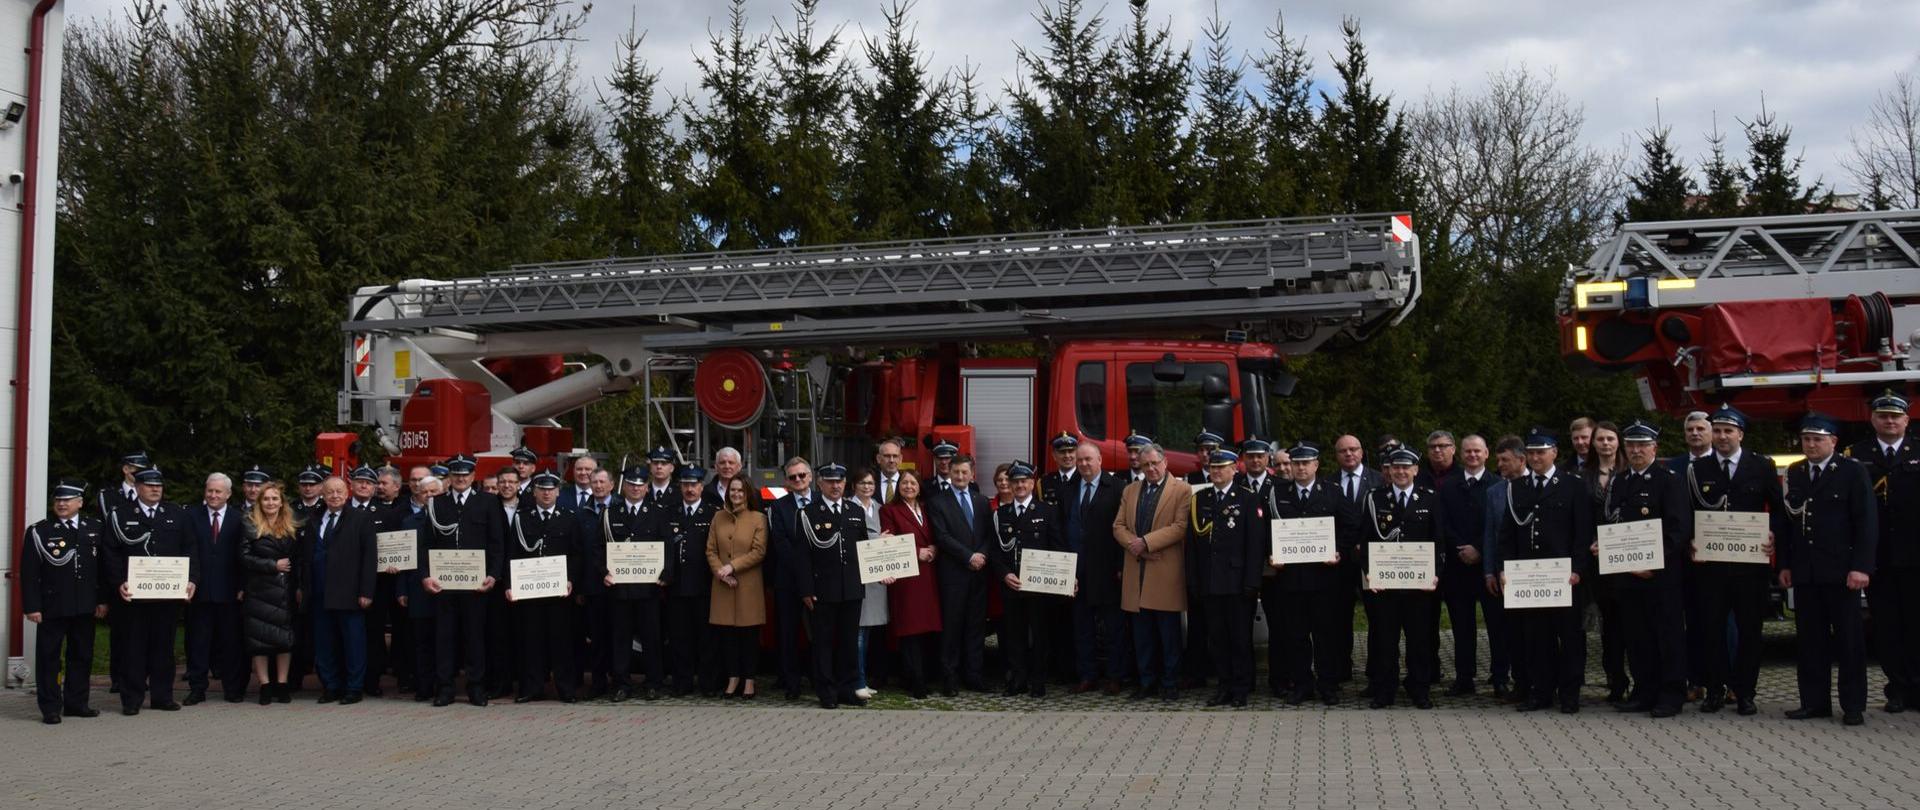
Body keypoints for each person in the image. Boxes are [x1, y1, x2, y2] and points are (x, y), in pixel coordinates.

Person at [1779, 412, 1878, 726]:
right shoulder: (1795, 472)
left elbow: (1866, 522)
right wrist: (1784, 564)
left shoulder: (1851, 471)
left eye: (1817, 439)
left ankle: (1853, 705)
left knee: (1849, 641)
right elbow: (1787, 524)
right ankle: (1814, 702)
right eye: (1806, 439)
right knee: (1810, 641)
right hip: (1806, 571)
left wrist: (1861, 567)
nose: (1811, 444)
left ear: (1833, 441)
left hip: (1841, 571)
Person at [1687, 405, 1783, 716]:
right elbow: (1688, 512)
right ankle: (1715, 690)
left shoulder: (1761, 466)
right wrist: (1691, 540)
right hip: (1711, 566)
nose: (1722, 436)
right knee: (1711, 629)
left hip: (1750, 567)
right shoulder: (1698, 469)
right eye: (1717, 431)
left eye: (1728, 431)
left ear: (1740, 434)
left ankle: (1745, 692)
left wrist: (1772, 534)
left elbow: (1778, 510)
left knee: (1750, 631)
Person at [1600, 420, 1692, 718]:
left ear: (1654, 448)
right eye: (1631, 446)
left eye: (1642, 445)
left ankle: (1671, 694)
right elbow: (1612, 523)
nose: (1636, 451)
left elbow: (1679, 529)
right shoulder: (1620, 481)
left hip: (1660, 576)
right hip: (1628, 576)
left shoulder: (1669, 480)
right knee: (1636, 637)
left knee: (1667, 636)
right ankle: (1643, 691)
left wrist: (1653, 564)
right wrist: (1604, 546)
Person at [1497, 430, 1592, 714]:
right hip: (1529, 577)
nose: (1536, 457)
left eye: (1542, 452)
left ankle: (1570, 693)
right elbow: (1507, 535)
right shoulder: (1517, 487)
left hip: (1564, 577)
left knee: (1570, 637)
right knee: (1537, 638)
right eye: (1532, 453)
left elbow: (1582, 532)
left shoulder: (1573, 486)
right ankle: (1541, 692)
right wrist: (1504, 568)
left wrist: (1578, 569)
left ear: (1554, 453)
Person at [104, 466, 197, 715]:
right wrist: (118, 582)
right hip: (134, 596)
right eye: (149, 485)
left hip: (166, 596)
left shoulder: (176, 514)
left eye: (159, 485)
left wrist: (191, 580)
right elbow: (110, 552)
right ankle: (131, 699)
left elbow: (190, 549)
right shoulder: (120, 515)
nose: (155, 489)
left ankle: (162, 696)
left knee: (163, 648)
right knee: (133, 648)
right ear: (137, 487)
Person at [1358, 448, 1446, 709]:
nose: (1400, 472)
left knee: (1420, 641)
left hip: (1419, 586)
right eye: (1395, 467)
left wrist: (1436, 574)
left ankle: (1420, 690)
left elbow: (1439, 540)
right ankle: (1385, 691)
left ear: (1416, 470)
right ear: (1388, 470)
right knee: (1385, 641)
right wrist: (1369, 571)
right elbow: (1365, 541)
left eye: (1406, 467)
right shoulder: (1375, 498)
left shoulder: (1430, 498)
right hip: (1385, 585)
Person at [419, 454, 506, 707]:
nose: (460, 478)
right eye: (456, 474)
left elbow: (497, 543)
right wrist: (425, 575)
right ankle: (445, 688)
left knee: (475, 637)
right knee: (444, 637)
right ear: (450, 476)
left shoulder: (488, 502)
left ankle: (476, 687)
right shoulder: (436, 503)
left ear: (473, 475)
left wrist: (494, 574)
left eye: (465, 474)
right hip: (443, 583)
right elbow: (425, 544)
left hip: (476, 584)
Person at [1853, 391, 1919, 713]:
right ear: (1872, 419)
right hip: (1878, 558)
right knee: (1886, 627)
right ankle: (1897, 689)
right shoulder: (1856, 455)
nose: (1889, 421)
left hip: (1915, 556)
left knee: (1917, 625)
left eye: (1895, 416)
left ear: (1907, 420)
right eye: (1883, 416)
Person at [20, 479, 106, 724]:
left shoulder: (94, 528)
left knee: (81, 655)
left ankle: (77, 703)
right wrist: (32, 606)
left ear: (80, 503)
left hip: (85, 605)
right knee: (49, 657)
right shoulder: (40, 531)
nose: (61, 504)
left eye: (67, 500)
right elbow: (29, 573)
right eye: (58, 500)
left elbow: (102, 570)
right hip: (53, 606)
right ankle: (50, 707)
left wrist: (102, 601)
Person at [1269, 443, 1348, 705]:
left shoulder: (1333, 492)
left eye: (1306, 463)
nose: (1301, 467)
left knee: (1326, 635)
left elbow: (1349, 527)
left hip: (1324, 579)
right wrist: (1271, 555)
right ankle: (1302, 685)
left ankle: (1328, 685)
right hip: (1291, 579)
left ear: (1316, 465)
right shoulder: (1278, 493)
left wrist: (1338, 551)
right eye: (1297, 463)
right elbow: (1267, 529)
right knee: (1296, 636)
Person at [1114, 443, 1193, 701]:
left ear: (1165, 462)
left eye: (1154, 463)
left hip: (1164, 572)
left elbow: (1180, 527)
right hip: (1136, 571)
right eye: (1145, 464)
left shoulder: (1182, 490)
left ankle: (1170, 683)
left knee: (1169, 635)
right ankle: (1146, 682)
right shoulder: (1130, 490)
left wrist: (1147, 542)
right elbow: (1118, 526)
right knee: (1142, 635)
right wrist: (1136, 546)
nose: (1150, 469)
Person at [1186, 450, 1264, 708]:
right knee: (1217, 639)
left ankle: (1241, 688)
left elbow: (1255, 545)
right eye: (1213, 467)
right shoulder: (1200, 499)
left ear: (1234, 469)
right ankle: (1224, 686)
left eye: (1222, 467)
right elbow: (1192, 546)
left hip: (1237, 582)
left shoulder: (1247, 498)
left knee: (1240, 639)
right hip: (1210, 582)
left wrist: (1252, 582)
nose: (1216, 471)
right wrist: (1194, 580)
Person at [793, 463, 868, 708]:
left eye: (839, 481)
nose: (835, 486)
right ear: (820, 483)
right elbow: (802, 556)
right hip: (823, 589)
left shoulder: (855, 510)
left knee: (849, 642)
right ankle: (826, 691)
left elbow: (863, 548)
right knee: (823, 643)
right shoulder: (808, 513)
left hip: (851, 588)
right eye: (830, 481)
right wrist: (806, 589)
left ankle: (847, 689)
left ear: (845, 483)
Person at [300, 477, 377, 704]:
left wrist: (366, 592)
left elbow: (369, 558)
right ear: (322, 495)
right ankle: (331, 686)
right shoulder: (313, 519)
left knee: (353, 643)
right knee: (324, 643)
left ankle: (354, 687)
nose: (335, 496)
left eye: (339, 491)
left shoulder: (361, 518)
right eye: (330, 492)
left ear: (347, 493)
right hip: (319, 593)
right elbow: (305, 557)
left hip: (349, 592)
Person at [505, 470, 580, 703]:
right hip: (530, 591)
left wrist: (571, 579)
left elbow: (577, 554)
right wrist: (509, 584)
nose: (546, 493)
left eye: (550, 489)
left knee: (562, 641)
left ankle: (565, 688)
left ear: (558, 492)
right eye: (542, 489)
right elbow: (512, 553)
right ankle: (532, 687)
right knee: (531, 641)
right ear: (534, 492)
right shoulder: (522, 518)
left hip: (559, 591)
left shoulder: (569, 517)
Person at [990, 461, 1063, 698]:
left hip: (1039, 587)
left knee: (1040, 635)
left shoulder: (1046, 511)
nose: (1019, 485)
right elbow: (995, 551)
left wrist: (1062, 576)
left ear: (1032, 484)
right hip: (1012, 585)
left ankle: (1038, 681)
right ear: (1010, 485)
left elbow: (1057, 547)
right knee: (1014, 636)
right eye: (1015, 481)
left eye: (1024, 481)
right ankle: (1018, 680)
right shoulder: (1001, 514)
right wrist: (1004, 574)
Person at [594, 465, 667, 701]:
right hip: (619, 588)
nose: (635, 488)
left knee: (651, 638)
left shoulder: (657, 513)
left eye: (640, 485)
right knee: (620, 639)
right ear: (624, 487)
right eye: (631, 484)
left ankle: (654, 683)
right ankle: (622, 684)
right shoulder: (610, 513)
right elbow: (599, 548)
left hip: (649, 589)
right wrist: (604, 572)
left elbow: (667, 547)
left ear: (647, 488)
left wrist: (665, 575)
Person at [1062, 442, 1129, 695]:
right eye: (1079, 460)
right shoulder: (1068, 489)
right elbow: (1062, 527)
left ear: (1100, 460)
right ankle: (1087, 676)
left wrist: (1121, 566)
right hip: (1077, 572)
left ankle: (1115, 676)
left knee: (1114, 630)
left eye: (1088, 459)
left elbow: (1124, 529)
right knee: (1082, 628)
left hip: (1107, 571)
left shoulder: (1117, 488)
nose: (1083, 464)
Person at [1437, 435, 1496, 697]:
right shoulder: (1449, 486)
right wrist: (1461, 548)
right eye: (1468, 451)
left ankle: (1499, 675)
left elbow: (1498, 525)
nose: (1472, 455)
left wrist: (1479, 549)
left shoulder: (1498, 484)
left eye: (1477, 451)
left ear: (1486, 454)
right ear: (1460, 454)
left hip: (1487, 567)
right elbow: (1443, 523)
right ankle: (1464, 677)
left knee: (1496, 624)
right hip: (1457, 566)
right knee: (1462, 626)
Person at [929, 454, 993, 694]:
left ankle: (974, 675)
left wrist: (982, 555)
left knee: (976, 627)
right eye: (956, 472)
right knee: (952, 628)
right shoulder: (937, 502)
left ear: (972, 474)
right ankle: (950, 677)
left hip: (979, 574)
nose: (960, 476)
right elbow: (942, 536)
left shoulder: (981, 501)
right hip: (954, 575)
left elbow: (989, 534)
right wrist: (969, 556)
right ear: (949, 472)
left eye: (964, 472)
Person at [184, 472, 248, 705]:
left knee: (231, 643)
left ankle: (232, 688)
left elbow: (243, 555)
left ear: (228, 494)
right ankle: (197, 688)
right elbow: (187, 551)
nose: (213, 495)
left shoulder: (240, 518)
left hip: (230, 593)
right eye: (209, 491)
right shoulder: (191, 516)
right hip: (198, 591)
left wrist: (242, 585)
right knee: (198, 644)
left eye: (218, 491)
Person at [880, 471, 943, 699]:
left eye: (913, 482)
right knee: (910, 631)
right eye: (904, 483)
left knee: (927, 630)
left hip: (929, 576)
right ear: (898, 487)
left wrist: (935, 547)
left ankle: (924, 676)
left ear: (919, 486)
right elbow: (889, 543)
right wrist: (916, 552)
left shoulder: (926, 508)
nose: (908, 486)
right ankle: (915, 681)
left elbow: (938, 534)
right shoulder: (889, 510)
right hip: (906, 578)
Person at [1581, 421, 1631, 703]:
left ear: (1618, 442)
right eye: (1600, 439)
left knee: (1630, 622)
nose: (1606, 444)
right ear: (1593, 443)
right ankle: (1615, 679)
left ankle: (1641, 679)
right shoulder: (1583, 477)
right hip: (1595, 559)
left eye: (1610, 438)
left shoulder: (1629, 472)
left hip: (1626, 557)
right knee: (1608, 624)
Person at [707, 477, 768, 699]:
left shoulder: (758, 518)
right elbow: (711, 550)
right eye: (733, 490)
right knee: (728, 637)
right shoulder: (718, 517)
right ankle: (733, 678)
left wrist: (732, 567)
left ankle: (749, 680)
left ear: (748, 493)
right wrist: (720, 572)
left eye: (741, 490)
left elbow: (759, 551)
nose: (736, 494)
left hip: (748, 586)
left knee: (748, 636)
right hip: (723, 585)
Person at [241, 483, 300, 706]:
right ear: (259, 502)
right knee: (259, 640)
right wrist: (272, 565)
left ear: (282, 502)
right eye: (266, 499)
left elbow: (299, 558)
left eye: (275, 498)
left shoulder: (291, 525)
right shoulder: (249, 524)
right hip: (259, 589)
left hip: (284, 590)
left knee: (284, 639)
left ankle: (282, 684)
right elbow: (243, 557)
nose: (271, 503)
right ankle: (265, 685)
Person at [661, 465, 716, 696]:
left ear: (702, 487)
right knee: (679, 638)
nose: (690, 489)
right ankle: (682, 683)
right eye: (685, 485)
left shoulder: (712, 513)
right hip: (676, 585)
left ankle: (708, 683)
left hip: (704, 586)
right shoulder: (669, 513)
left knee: (706, 638)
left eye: (694, 484)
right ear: (680, 487)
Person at [1331, 434, 1381, 682]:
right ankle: (1341, 669)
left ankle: (1375, 672)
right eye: (1343, 451)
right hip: (1338, 561)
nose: (1349, 454)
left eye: (1353, 449)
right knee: (1339, 618)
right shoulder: (1327, 483)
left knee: (1377, 617)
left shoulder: (1379, 480)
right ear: (1336, 455)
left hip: (1371, 561)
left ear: (1362, 452)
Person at [766, 457, 815, 700]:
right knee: (788, 634)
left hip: (818, 580)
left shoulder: (822, 501)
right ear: (786, 481)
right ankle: (791, 683)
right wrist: (802, 571)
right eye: (793, 477)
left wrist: (814, 573)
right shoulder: (778, 507)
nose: (798, 480)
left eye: (802, 475)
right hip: (788, 580)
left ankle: (819, 679)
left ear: (810, 476)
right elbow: (781, 544)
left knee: (820, 633)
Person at [1482, 435, 1527, 700]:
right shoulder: (1494, 491)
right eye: (1498, 460)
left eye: (1505, 460)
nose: (1499, 465)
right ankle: (1504, 679)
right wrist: (1489, 570)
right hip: (1503, 573)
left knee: (1532, 630)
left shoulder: (1537, 486)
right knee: (1504, 629)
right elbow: (1490, 533)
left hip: (1535, 572)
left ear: (1521, 460)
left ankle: (1536, 679)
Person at [398, 477, 442, 702]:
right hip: (417, 589)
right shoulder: (409, 522)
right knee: (421, 642)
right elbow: (403, 559)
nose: (430, 496)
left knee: (443, 641)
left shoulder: (450, 519)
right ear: (417, 495)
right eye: (425, 492)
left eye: (434, 492)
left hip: (446, 589)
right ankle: (424, 686)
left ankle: (443, 685)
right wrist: (401, 589)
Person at [850, 468, 889, 699]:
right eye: (862, 483)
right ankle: (858, 681)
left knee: (868, 633)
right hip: (856, 576)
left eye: (871, 483)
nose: (867, 487)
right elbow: (850, 539)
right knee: (858, 634)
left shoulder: (879, 508)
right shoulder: (848, 507)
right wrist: (877, 539)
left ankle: (863, 679)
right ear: (853, 486)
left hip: (876, 578)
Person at [1041, 432, 1079, 507]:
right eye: (1062, 452)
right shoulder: (1045, 482)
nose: (1067, 455)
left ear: (1077, 453)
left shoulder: (1085, 479)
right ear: (1054, 455)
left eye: (1071, 451)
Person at [873, 440, 906, 505]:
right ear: (878, 458)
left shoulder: (908, 483)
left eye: (895, 456)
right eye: (887, 456)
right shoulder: (871, 481)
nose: (891, 460)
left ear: (900, 459)